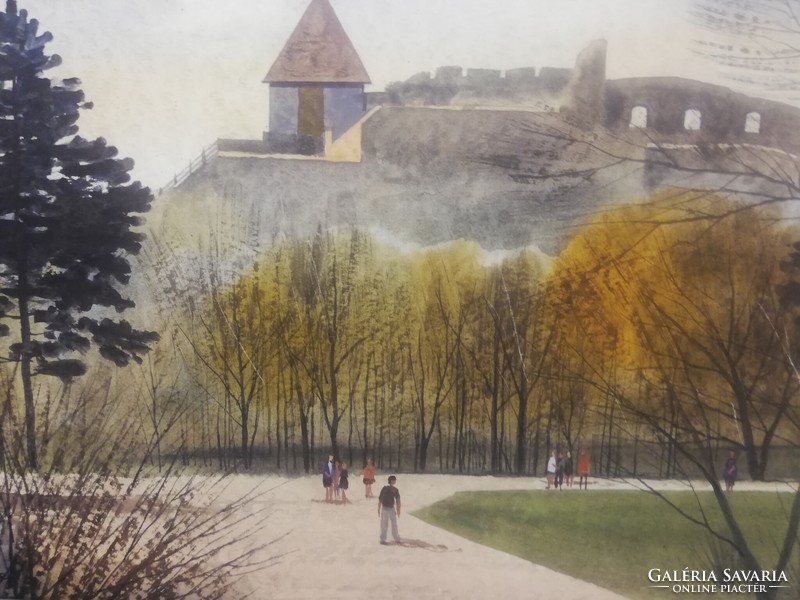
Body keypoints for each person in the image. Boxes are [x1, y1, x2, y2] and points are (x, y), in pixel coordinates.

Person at [377, 475, 401, 545]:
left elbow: (398, 501)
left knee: (389, 524)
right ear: (391, 481)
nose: (395, 481)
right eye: (394, 480)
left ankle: (393, 538)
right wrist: (378, 508)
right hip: (386, 508)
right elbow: (380, 499)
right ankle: (385, 539)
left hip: (388, 508)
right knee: (387, 524)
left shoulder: (391, 489)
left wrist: (398, 510)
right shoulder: (390, 489)